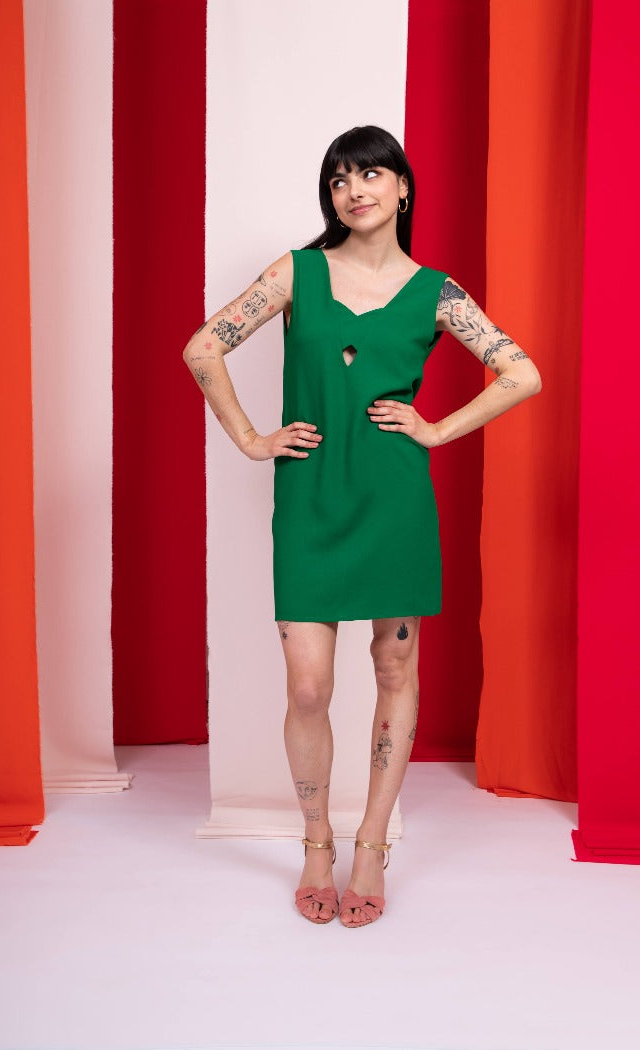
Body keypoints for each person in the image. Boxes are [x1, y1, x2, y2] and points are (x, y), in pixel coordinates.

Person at [182, 125, 541, 928]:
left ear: (402, 188)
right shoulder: (296, 273)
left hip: (393, 499)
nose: (355, 190)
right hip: (311, 495)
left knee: (393, 668)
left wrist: (437, 430)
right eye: (340, 179)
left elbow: (522, 372)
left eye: (371, 174)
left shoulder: (437, 293)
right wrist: (252, 439)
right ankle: (317, 841)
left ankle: (372, 844)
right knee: (309, 684)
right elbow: (203, 347)